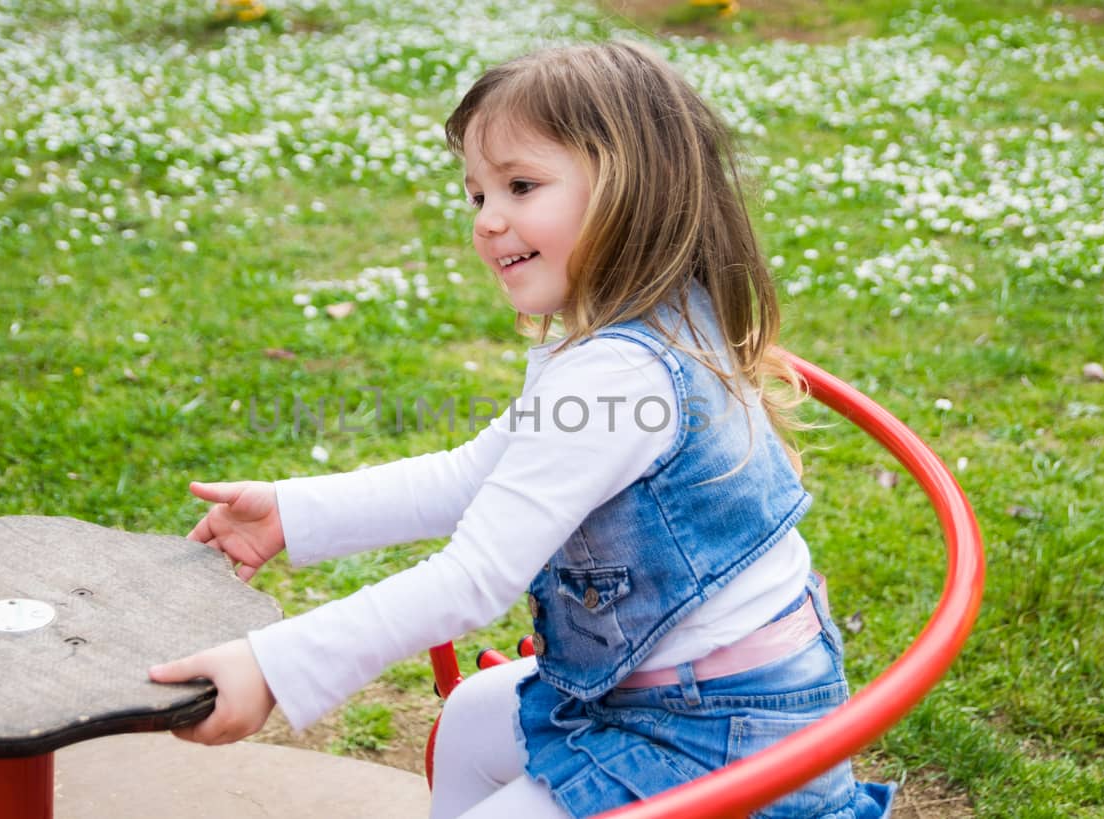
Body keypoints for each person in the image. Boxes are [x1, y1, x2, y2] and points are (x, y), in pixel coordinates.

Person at [148, 41, 894, 819]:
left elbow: (473, 576)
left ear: (632, 190)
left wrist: (276, 667)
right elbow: (475, 476)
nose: (488, 219)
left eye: (520, 185)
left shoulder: (621, 375)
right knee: (474, 716)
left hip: (729, 741)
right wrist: (293, 513)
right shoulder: (627, 332)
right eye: (477, 196)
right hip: (677, 696)